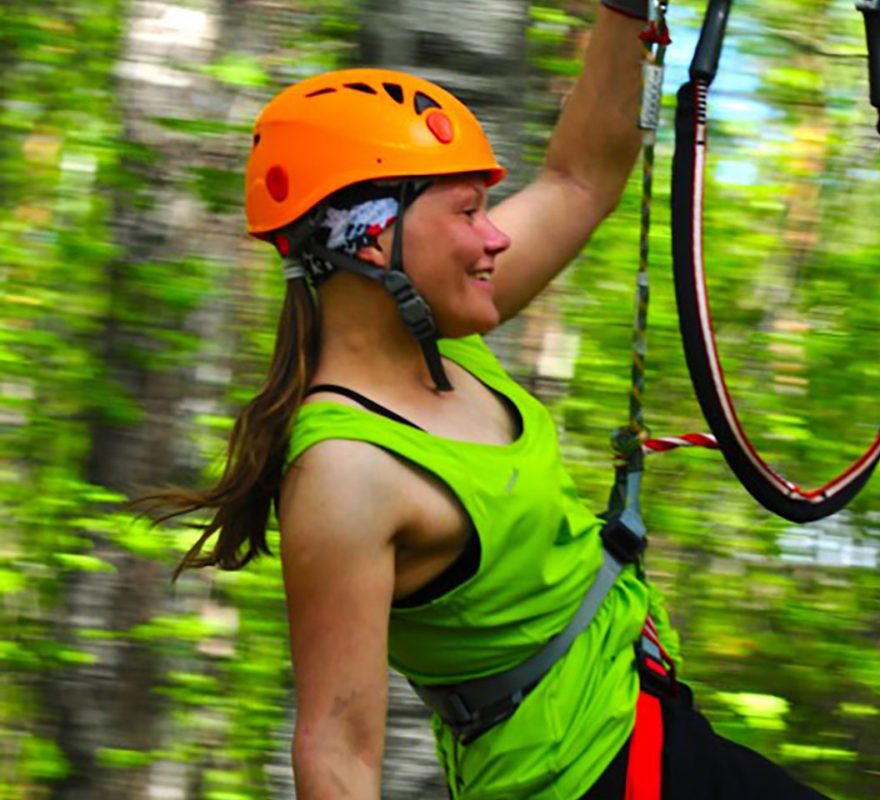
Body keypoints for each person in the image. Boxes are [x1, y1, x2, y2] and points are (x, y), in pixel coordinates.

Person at [141, 3, 833, 798]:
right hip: (586, 782)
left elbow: (580, 180)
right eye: (467, 212)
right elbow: (336, 750)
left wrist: (623, 15)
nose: (495, 236)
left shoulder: (445, 343)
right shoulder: (347, 470)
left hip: (654, 738)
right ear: (375, 238)